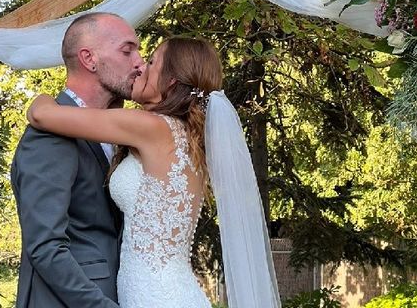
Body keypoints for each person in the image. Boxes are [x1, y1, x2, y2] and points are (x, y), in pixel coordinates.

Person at [27, 36, 281, 308]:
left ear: (170, 80)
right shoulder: (185, 135)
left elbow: (41, 115)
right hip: (167, 290)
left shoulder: (152, 127)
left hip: (155, 296)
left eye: (151, 62)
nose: (140, 68)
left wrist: (42, 97)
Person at [11, 12, 143, 308]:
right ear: (89, 59)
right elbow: (46, 248)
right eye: (127, 50)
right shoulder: (50, 135)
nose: (139, 62)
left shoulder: (113, 128)